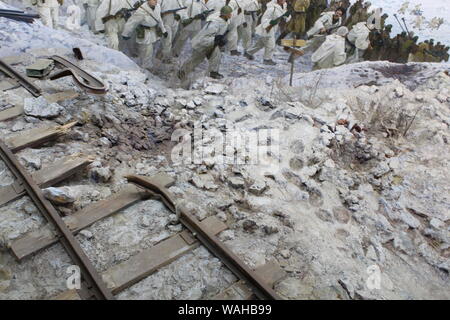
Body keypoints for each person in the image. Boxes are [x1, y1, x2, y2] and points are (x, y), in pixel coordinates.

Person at [178, 5, 232, 80]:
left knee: (216, 54)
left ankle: (213, 72)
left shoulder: (224, 21)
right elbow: (207, 34)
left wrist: (220, 40)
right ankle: (182, 71)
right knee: (197, 59)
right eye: (229, 13)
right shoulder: (215, 22)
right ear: (225, 14)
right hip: (203, 42)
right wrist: (217, 38)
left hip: (211, 42)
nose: (231, 15)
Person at [122, 0, 167, 69]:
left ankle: (145, 65)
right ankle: (145, 67)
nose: (155, 1)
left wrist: (163, 30)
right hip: (144, 32)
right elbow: (132, 22)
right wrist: (126, 33)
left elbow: (159, 19)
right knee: (147, 50)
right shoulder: (141, 10)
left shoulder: (157, 6)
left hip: (153, 32)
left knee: (149, 50)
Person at [245, 0, 289, 65]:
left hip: (273, 28)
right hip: (267, 27)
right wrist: (271, 23)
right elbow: (264, 18)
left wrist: (287, 15)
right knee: (271, 44)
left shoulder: (284, 6)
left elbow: (286, 18)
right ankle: (267, 59)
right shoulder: (272, 7)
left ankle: (248, 53)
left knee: (261, 43)